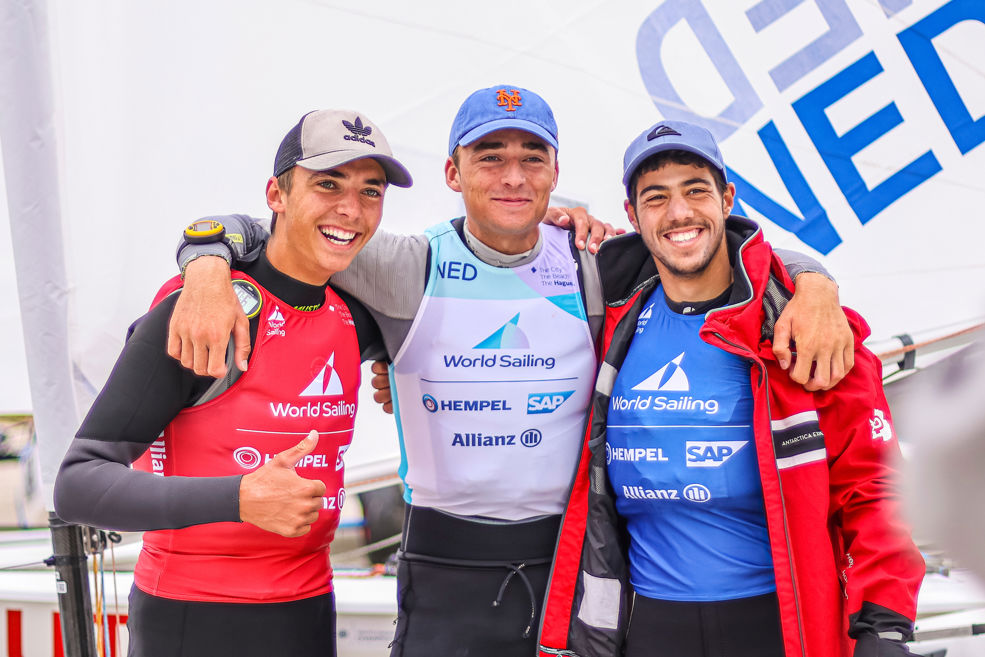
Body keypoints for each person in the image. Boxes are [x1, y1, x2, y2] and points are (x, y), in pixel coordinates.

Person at [168, 86, 853, 657]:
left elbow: (716, 241)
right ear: (451, 172)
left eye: (532, 157)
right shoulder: (408, 265)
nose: (513, 176)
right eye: (489, 157)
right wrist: (204, 261)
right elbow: (277, 229)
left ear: (556, 171)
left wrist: (815, 285)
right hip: (444, 575)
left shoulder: (592, 258)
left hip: (570, 571)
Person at [537, 121, 924, 657]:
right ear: (632, 216)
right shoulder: (610, 316)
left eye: (696, 189)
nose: (679, 213)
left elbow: (875, 490)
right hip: (649, 627)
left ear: (727, 199)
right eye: (656, 197)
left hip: (777, 625)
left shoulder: (801, 329)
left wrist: (883, 625)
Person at [53, 109, 412, 657]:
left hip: (309, 610)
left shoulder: (355, 316)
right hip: (193, 617)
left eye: (371, 191)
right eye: (328, 184)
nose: (351, 209)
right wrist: (240, 498)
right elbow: (78, 483)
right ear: (277, 194)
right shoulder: (206, 313)